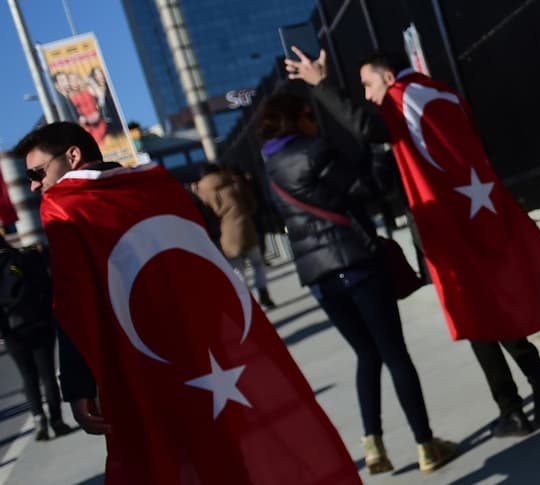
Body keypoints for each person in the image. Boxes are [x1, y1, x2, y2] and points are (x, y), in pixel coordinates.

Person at [15, 121, 360, 484]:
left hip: (140, 365)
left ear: (72, 156)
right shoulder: (159, 186)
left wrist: (78, 386)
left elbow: (73, 302)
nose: (36, 185)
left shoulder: (65, 206)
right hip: (205, 359)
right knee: (224, 450)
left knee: (167, 463)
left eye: (37, 173)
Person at [285, 48, 540, 437]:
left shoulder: (401, 99)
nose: (369, 97)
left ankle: (517, 401)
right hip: (478, 207)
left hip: (449, 222)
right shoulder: (438, 91)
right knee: (481, 307)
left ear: (388, 78)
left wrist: (320, 85)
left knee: (470, 313)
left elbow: (367, 129)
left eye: (369, 86)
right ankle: (531, 379)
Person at [257, 92, 457, 474]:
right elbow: (367, 189)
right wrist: (379, 151)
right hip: (357, 264)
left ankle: (373, 446)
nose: (313, 119)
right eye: (307, 112)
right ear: (294, 117)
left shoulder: (271, 168)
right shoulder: (315, 151)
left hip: (320, 278)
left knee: (366, 354)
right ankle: (426, 445)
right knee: (394, 354)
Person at [0, 242, 73, 441]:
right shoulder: (24, 257)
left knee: (28, 376)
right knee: (48, 374)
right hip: (40, 323)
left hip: (12, 330)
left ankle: (38, 417)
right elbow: (47, 284)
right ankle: (57, 421)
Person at [191, 163, 274, 309]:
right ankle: (264, 293)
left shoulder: (202, 191)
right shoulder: (234, 182)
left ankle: (248, 303)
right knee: (257, 264)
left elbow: (205, 214)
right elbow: (252, 205)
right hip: (247, 227)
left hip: (226, 233)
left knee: (237, 270)